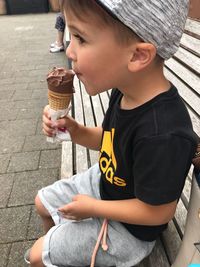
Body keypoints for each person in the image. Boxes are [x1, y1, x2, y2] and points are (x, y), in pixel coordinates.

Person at [27, 0, 199, 266]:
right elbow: (110, 137)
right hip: (107, 183)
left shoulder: (163, 132)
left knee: (38, 255)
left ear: (138, 56)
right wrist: (75, 130)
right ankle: (63, 250)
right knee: (41, 202)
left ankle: (58, 251)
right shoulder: (126, 90)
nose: (69, 51)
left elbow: (158, 213)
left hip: (130, 229)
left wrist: (93, 208)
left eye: (81, 38)